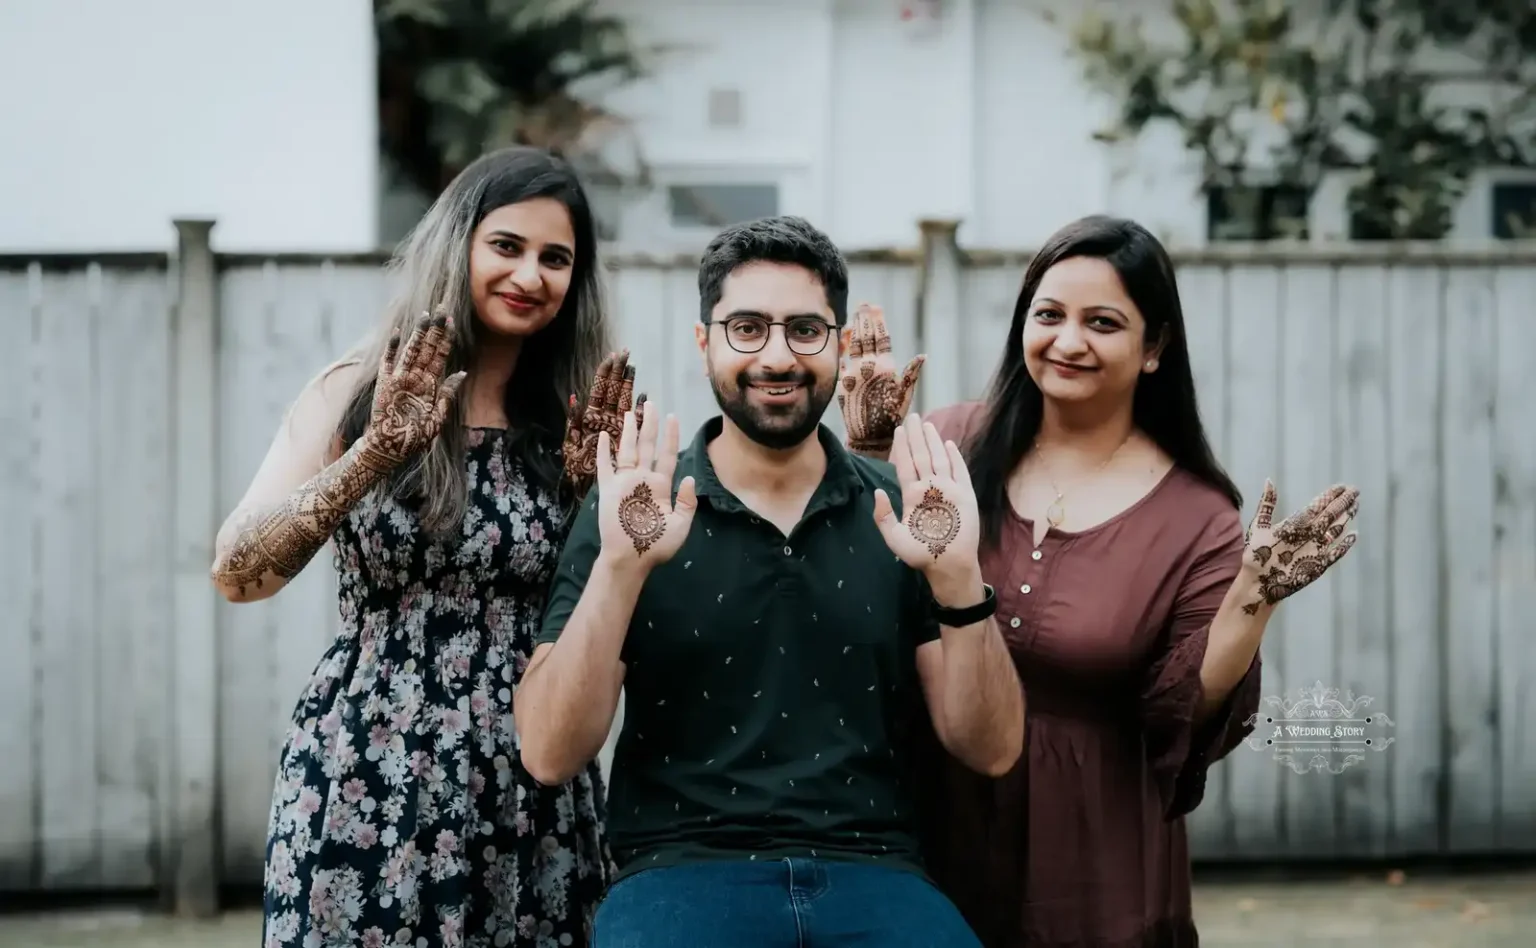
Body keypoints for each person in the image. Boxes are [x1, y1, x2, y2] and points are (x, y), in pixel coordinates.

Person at [838, 215, 1360, 947]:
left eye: (1103, 322)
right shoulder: (951, 443)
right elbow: (862, 595)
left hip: (1090, 858)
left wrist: (1253, 598)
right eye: (1048, 315)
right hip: (925, 821)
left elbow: (1179, 708)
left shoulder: (1196, 515)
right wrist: (866, 454)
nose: (1068, 340)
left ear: (1154, 349)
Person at [514, 215, 1025, 947]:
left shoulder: (907, 511)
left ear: (841, 344)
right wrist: (622, 569)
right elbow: (549, 751)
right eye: (747, 328)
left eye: (805, 330)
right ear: (705, 344)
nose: (778, 356)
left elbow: (993, 748)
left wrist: (958, 580)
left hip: (874, 870)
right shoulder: (635, 504)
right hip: (677, 872)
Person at [210, 147, 637, 948]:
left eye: (557, 259)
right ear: (459, 245)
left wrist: (593, 506)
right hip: (366, 766)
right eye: (506, 246)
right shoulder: (357, 388)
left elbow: (599, 614)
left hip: (531, 772)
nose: (531, 275)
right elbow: (237, 572)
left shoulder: (574, 420)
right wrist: (368, 456)